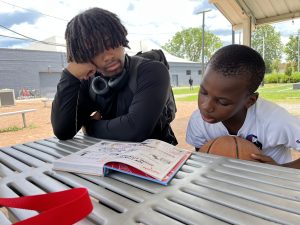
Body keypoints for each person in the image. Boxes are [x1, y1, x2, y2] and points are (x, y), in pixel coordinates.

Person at [51, 7, 177, 145]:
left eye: (111, 43)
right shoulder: (90, 82)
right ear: (84, 56)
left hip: (157, 159)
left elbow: (135, 130)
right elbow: (63, 131)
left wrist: (90, 126)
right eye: (95, 50)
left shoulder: (152, 71)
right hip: (108, 159)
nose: (108, 56)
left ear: (121, 38)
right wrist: (70, 75)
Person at [186, 44, 300, 168]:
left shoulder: (276, 121)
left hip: (269, 184)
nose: (206, 106)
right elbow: (202, 156)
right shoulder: (198, 121)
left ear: (250, 101)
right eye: (203, 92)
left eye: (222, 102)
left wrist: (281, 170)